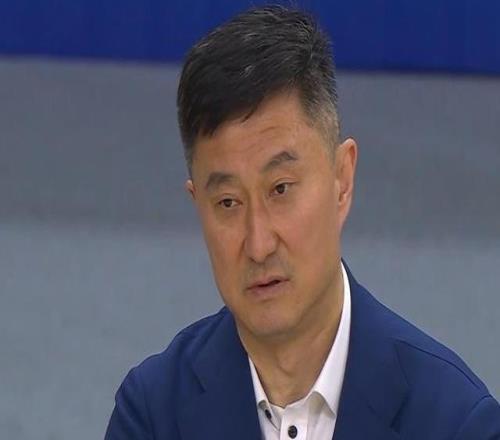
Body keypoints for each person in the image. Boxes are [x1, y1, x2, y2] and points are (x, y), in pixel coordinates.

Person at [105, 5, 500, 439]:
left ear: (342, 180)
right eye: (228, 202)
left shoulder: (454, 422)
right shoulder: (153, 416)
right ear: (198, 204)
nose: (259, 245)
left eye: (281, 189)